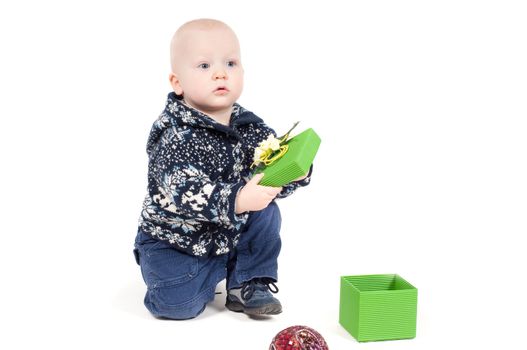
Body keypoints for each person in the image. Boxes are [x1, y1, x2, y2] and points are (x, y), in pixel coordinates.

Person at [133, 18, 312, 320]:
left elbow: (268, 168)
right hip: (177, 239)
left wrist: (294, 173)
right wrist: (238, 200)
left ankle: (248, 281)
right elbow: (182, 191)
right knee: (178, 307)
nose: (220, 73)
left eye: (230, 63)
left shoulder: (248, 125)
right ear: (177, 83)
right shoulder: (175, 135)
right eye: (204, 66)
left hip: (225, 231)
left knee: (266, 209)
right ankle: (209, 272)